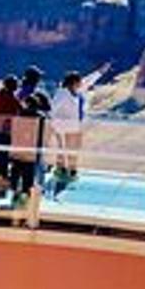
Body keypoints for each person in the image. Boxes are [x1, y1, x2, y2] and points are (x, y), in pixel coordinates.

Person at [48, 64, 109, 195]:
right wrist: (56, 126)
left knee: (73, 150)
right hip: (63, 128)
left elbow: (88, 80)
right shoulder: (62, 94)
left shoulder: (77, 91)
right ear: (72, 83)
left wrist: (101, 71)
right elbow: (53, 110)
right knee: (63, 150)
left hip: (75, 127)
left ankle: (71, 171)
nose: (81, 84)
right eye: (78, 82)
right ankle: (61, 172)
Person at [12, 66, 49, 202]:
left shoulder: (18, 93)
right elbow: (47, 110)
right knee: (35, 165)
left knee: (18, 166)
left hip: (19, 139)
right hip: (35, 138)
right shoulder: (37, 94)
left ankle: (16, 190)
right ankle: (35, 190)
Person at [0, 74, 23, 203]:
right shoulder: (12, 99)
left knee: (1, 157)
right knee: (8, 156)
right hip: (9, 131)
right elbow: (21, 110)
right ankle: (8, 185)